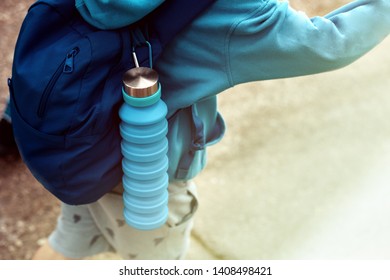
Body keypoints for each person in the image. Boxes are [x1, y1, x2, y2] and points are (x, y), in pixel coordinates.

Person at [28, 0, 390, 259]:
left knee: (68, 242)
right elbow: (327, 43)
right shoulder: (239, 12)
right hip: (148, 177)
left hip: (80, 147)